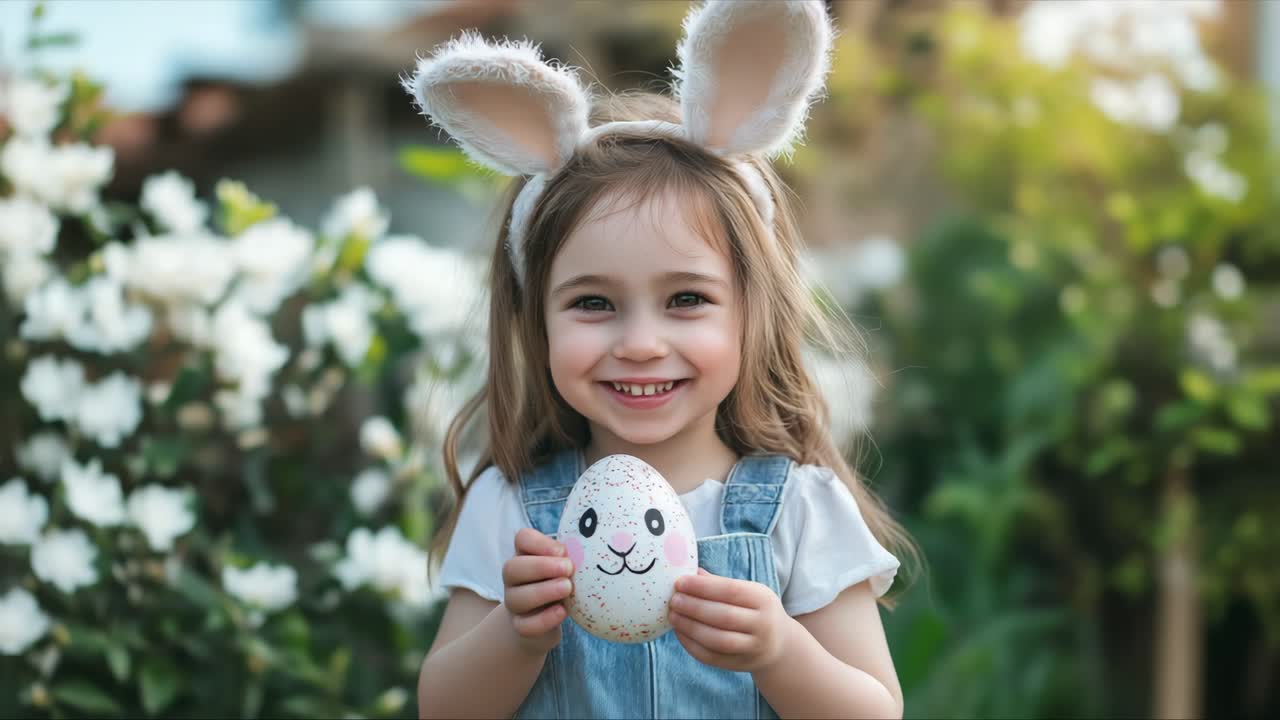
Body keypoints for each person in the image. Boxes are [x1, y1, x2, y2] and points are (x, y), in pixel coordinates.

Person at [404, 1, 915, 717]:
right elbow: (444, 709)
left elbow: (875, 711)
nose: (640, 343)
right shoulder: (514, 510)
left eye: (685, 299)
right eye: (593, 304)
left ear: (751, 311)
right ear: (536, 319)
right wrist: (514, 637)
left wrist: (781, 652)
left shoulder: (800, 509)